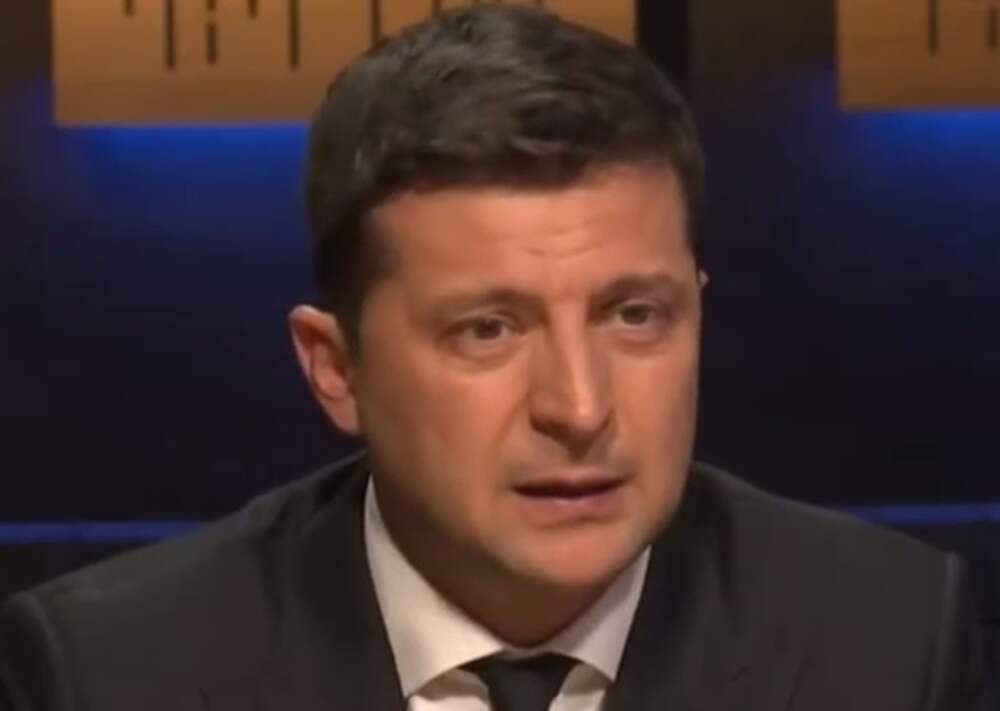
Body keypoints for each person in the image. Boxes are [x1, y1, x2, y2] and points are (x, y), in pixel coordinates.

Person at [0, 6, 991, 710]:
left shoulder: (887, 645)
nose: (579, 406)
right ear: (335, 368)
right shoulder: (109, 675)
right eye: (489, 329)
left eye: (633, 315)